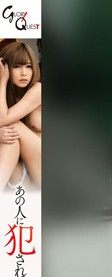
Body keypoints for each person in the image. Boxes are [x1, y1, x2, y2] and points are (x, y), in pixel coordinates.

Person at [0, 42, 41, 190]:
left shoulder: (38, 90)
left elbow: (3, 119)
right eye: (17, 66)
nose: (24, 73)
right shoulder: (3, 98)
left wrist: (3, 81)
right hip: (22, 170)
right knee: (8, 136)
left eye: (28, 66)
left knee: (13, 127)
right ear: (4, 68)